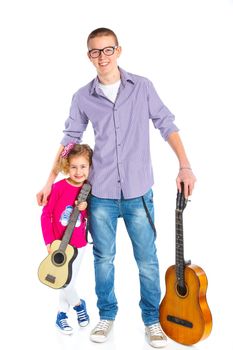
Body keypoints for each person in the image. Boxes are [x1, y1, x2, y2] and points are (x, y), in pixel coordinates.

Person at [37, 28, 196, 348]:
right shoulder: (83, 96)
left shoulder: (142, 87)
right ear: (89, 56)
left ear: (118, 51)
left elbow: (167, 124)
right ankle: (106, 315)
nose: (102, 57)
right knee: (103, 258)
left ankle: (152, 319)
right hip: (102, 194)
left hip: (139, 192)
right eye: (95, 52)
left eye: (107, 50)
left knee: (147, 260)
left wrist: (185, 165)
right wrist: (48, 180)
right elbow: (69, 140)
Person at [40, 143, 93, 335]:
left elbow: (91, 217)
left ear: (89, 167)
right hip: (58, 246)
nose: (78, 172)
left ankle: (61, 315)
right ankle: (79, 306)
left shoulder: (89, 189)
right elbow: (46, 216)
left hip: (79, 245)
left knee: (66, 282)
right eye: (74, 167)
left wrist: (85, 207)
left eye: (83, 167)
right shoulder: (58, 188)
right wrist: (49, 242)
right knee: (63, 281)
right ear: (66, 167)